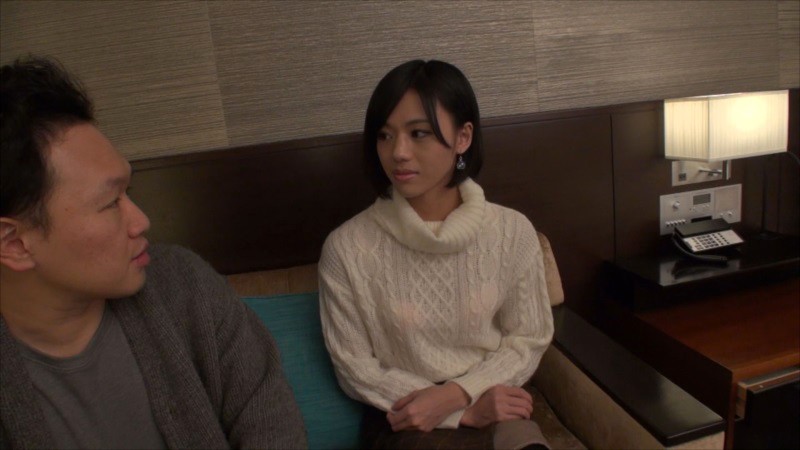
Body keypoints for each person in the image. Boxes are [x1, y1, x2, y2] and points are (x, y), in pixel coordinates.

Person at [0, 56, 307, 449]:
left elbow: (273, 424)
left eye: (129, 192)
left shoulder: (184, 285)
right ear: (14, 244)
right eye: (110, 203)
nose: (141, 221)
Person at [318, 59, 554, 449]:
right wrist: (455, 414)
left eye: (419, 133)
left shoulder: (512, 232)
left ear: (463, 137)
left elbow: (528, 337)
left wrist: (461, 394)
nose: (398, 152)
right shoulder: (346, 249)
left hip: (491, 398)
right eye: (385, 135)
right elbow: (354, 367)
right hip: (400, 416)